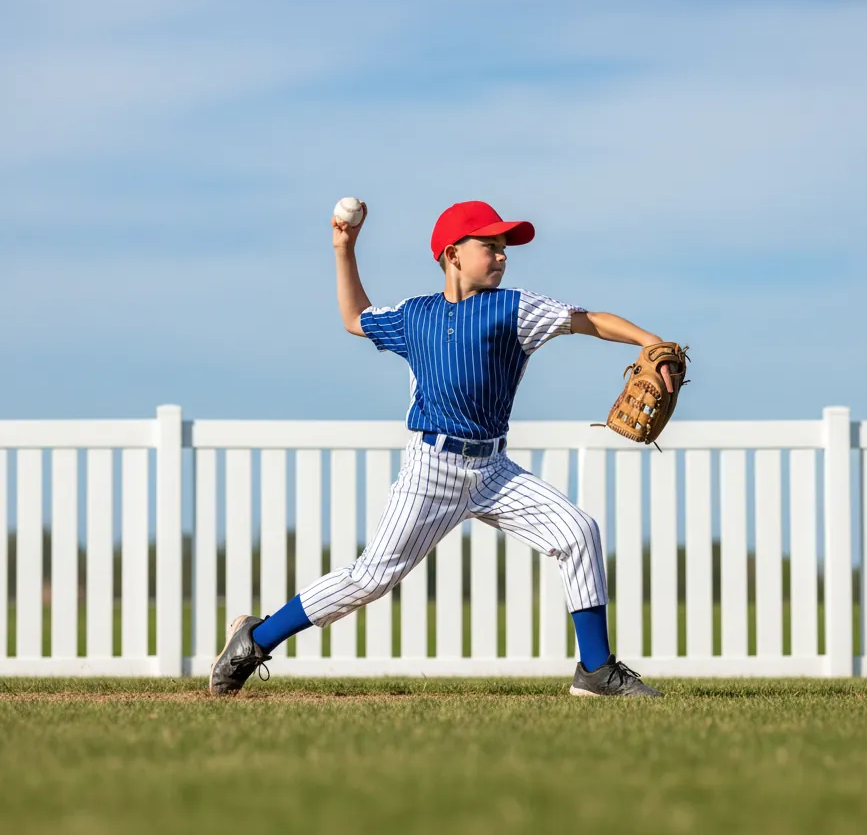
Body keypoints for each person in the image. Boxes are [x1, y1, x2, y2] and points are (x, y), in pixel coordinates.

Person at [210, 200, 680, 697]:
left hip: (493, 469)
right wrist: (343, 247)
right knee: (370, 578)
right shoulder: (416, 316)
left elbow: (588, 320)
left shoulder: (514, 308)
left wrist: (652, 344)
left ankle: (596, 671)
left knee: (577, 532)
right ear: (453, 254)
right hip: (430, 470)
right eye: (490, 246)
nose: (501, 256)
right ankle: (253, 639)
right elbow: (355, 317)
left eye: (504, 249)